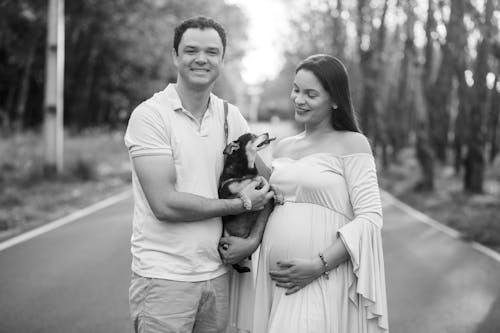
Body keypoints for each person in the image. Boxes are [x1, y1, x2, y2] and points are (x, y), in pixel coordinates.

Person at [124, 16, 273, 333]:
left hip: (218, 276)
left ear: (222, 59)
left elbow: (267, 183)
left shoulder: (230, 116)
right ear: (175, 56)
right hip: (164, 278)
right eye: (191, 50)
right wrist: (239, 205)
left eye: (211, 52)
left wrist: (253, 240)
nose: (201, 59)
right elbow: (164, 205)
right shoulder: (151, 116)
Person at [252, 54, 389, 332]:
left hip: (322, 278)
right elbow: (272, 199)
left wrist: (318, 264)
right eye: (296, 89)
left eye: (310, 94)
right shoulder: (283, 147)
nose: (298, 99)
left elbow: (370, 218)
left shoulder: (353, 143)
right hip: (277, 281)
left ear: (335, 100)